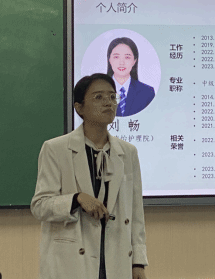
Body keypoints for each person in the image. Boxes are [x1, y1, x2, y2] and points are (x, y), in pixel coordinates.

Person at [31, 73, 148, 279]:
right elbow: (40, 206)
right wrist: (76, 199)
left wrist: (138, 262)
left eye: (112, 96)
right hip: (71, 261)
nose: (108, 103)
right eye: (98, 97)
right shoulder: (55, 149)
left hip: (116, 258)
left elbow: (136, 212)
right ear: (79, 107)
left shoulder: (128, 152)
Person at [106, 37, 155, 117]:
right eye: (116, 57)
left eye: (127, 57)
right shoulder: (98, 91)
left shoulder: (147, 93)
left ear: (134, 61)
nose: (122, 63)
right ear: (109, 59)